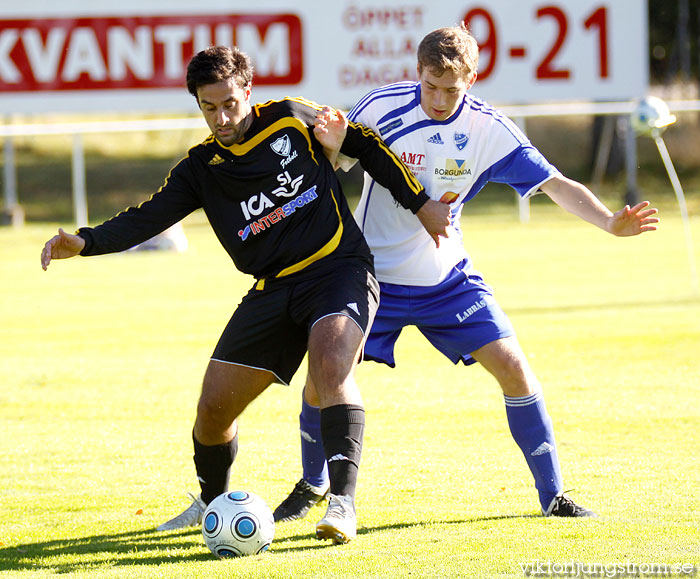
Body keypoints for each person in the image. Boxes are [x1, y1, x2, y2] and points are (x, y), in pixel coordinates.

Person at [40, 45, 450, 544]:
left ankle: (342, 504)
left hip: (338, 270)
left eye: (229, 103)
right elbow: (148, 216)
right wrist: (85, 242)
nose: (221, 117)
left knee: (330, 367)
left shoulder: (292, 120)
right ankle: (213, 507)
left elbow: (364, 145)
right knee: (213, 411)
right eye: (208, 107)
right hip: (273, 289)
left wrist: (422, 203)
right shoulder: (200, 168)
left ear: (248, 92)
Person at [273, 24, 659, 523]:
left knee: (515, 367)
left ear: (472, 79)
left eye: (450, 90)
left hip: (447, 280)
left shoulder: (487, 129)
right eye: (430, 86)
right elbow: (330, 163)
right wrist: (325, 146)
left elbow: (555, 184)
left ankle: (553, 495)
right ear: (418, 73)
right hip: (368, 278)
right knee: (322, 379)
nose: (437, 99)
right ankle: (313, 484)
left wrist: (609, 221)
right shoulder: (380, 107)